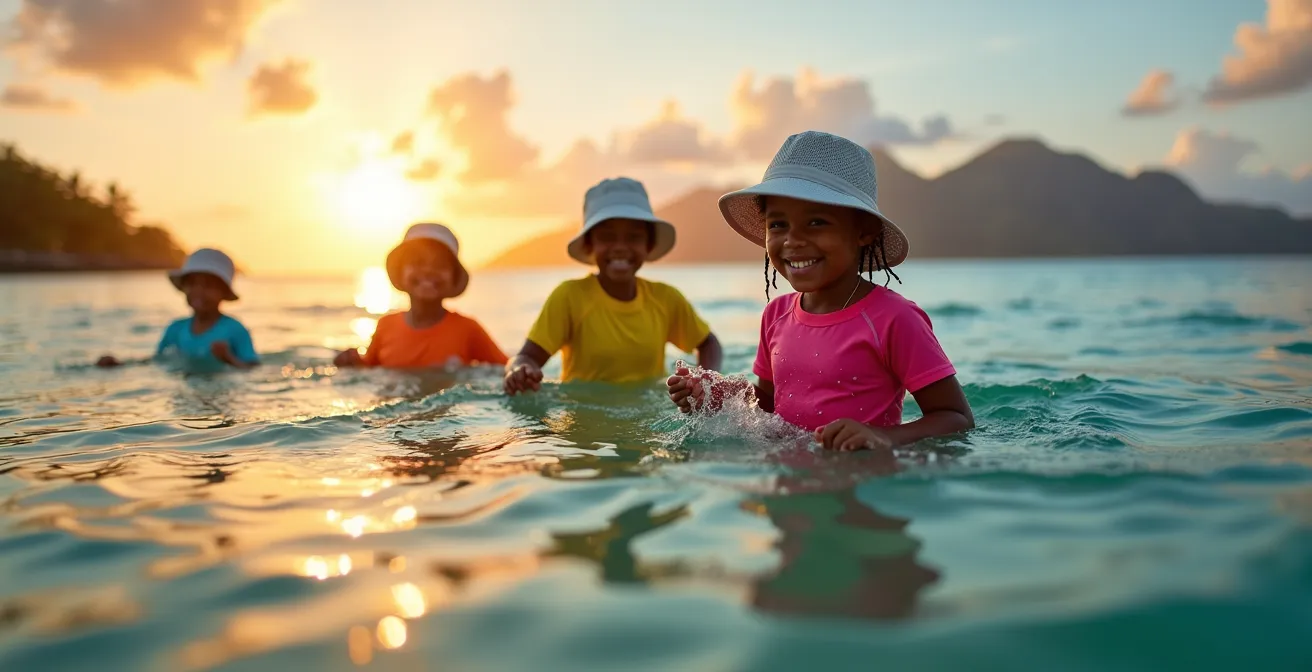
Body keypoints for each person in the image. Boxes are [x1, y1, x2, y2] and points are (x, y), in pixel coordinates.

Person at [667, 131, 973, 450]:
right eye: (777, 225)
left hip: (862, 486)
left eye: (816, 222)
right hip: (786, 488)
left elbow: (956, 417)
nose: (792, 240)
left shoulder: (894, 318)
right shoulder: (776, 314)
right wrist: (715, 397)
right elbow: (769, 406)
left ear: (864, 232)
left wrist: (885, 435)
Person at [504, 177, 722, 394]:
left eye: (633, 237)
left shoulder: (666, 298)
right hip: (581, 420)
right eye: (607, 237)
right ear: (590, 244)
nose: (619, 247)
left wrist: (705, 380)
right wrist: (520, 370)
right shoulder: (569, 296)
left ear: (649, 244)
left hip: (648, 422)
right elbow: (527, 357)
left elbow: (709, 343)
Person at [334, 223, 507, 369]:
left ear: (453, 277)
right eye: (417, 262)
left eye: (439, 264)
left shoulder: (468, 330)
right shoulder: (385, 326)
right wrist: (351, 363)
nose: (428, 271)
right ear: (401, 272)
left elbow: (507, 369)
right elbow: (369, 372)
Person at [96, 247, 258, 370]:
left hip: (221, 394)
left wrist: (228, 359)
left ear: (223, 292)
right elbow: (157, 362)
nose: (198, 291)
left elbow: (253, 368)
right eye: (193, 284)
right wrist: (119, 365)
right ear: (184, 288)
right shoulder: (175, 329)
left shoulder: (235, 329)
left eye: (208, 285)